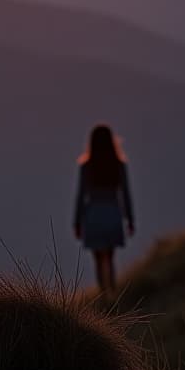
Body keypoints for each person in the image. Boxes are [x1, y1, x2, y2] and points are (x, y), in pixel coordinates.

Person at [73, 124, 134, 292]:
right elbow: (126, 194)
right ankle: (113, 292)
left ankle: (103, 293)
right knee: (110, 257)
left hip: (93, 215)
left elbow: (80, 195)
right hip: (113, 214)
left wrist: (77, 222)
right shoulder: (118, 165)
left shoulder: (86, 166)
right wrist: (130, 220)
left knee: (98, 259)